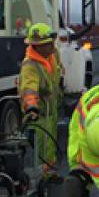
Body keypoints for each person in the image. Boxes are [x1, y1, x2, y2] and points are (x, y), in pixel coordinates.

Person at [19, 23, 63, 182]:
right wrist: (31, 106)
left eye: (52, 42)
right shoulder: (30, 65)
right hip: (39, 112)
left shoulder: (53, 55)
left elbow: (58, 74)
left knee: (50, 142)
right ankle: (39, 178)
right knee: (40, 144)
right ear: (37, 46)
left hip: (52, 109)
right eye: (47, 44)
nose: (52, 45)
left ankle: (49, 172)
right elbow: (29, 89)